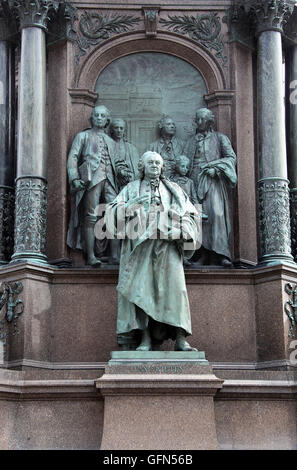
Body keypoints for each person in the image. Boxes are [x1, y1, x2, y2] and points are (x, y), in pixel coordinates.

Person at [105, 151, 200, 351]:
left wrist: (180, 230)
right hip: (140, 248)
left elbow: (191, 214)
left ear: (163, 166)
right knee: (141, 292)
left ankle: (181, 339)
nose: (155, 166)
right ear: (142, 166)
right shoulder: (130, 189)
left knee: (177, 291)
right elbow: (111, 214)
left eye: (158, 162)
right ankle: (145, 339)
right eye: (150, 162)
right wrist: (130, 206)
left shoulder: (174, 189)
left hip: (167, 246)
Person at [184, 108, 237, 267]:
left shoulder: (220, 138)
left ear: (210, 121)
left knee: (217, 215)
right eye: (197, 119)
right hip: (194, 181)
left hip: (213, 181)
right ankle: (199, 255)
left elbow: (230, 158)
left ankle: (220, 254)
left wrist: (217, 169)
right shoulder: (191, 141)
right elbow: (184, 161)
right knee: (196, 217)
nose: (199, 122)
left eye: (202, 119)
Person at [67, 105, 117, 266]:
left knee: (115, 215)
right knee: (90, 217)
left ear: (107, 120)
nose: (99, 118)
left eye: (103, 116)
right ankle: (90, 256)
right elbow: (73, 157)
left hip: (110, 181)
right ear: (92, 118)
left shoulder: (111, 141)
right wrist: (74, 178)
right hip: (91, 180)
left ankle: (115, 255)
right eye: (96, 115)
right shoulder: (83, 136)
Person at [110, 118, 139, 191]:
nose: (119, 130)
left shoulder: (132, 148)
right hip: (112, 184)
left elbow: (137, 169)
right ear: (112, 130)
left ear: (124, 131)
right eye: (116, 128)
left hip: (129, 183)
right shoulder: (107, 146)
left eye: (121, 128)